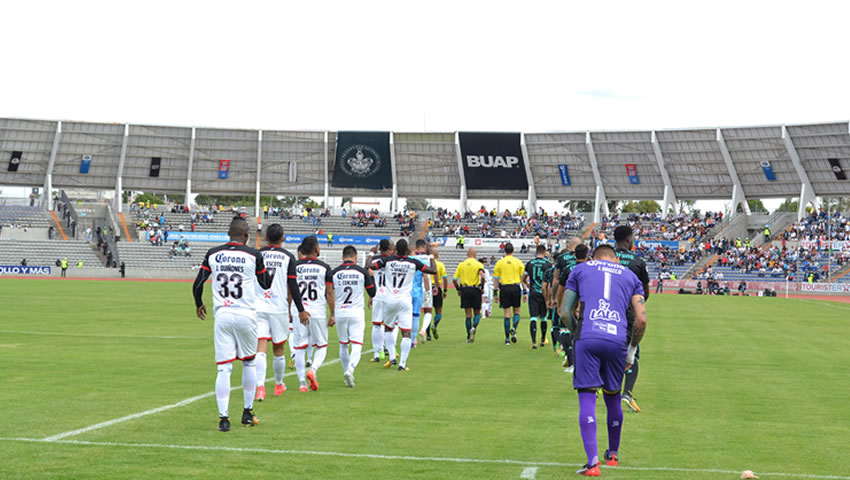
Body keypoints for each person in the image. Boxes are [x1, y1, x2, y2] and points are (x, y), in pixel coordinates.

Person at [560, 244, 647, 475]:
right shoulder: (630, 276)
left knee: (587, 397)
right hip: (617, 339)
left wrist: (577, 332)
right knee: (613, 397)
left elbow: (565, 313)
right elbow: (641, 321)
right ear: (616, 259)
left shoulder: (580, 270)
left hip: (588, 335)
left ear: (593, 257)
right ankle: (614, 455)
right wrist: (630, 351)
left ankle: (593, 463)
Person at [192, 216, 273, 432]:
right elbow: (265, 284)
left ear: (229, 234)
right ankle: (247, 412)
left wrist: (199, 303)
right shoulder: (253, 254)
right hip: (246, 314)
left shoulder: (213, 253)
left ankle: (223, 419)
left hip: (223, 315)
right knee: (248, 363)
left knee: (224, 368)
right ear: (246, 236)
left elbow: (198, 282)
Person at [254, 224, 307, 401]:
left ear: (267, 238)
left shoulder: (257, 254)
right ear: (283, 238)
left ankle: (260, 387)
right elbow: (293, 285)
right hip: (278, 307)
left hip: (259, 305)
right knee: (278, 348)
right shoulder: (288, 257)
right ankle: (278, 385)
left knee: (260, 347)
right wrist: (300, 310)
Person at [370, 239, 436, 371]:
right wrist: (431, 255)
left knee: (388, 329)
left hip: (390, 300)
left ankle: (392, 357)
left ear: (395, 250)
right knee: (406, 333)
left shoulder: (388, 261)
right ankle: (402, 364)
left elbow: (371, 267)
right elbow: (433, 270)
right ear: (407, 250)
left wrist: (371, 254)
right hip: (405, 301)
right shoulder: (413, 262)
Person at [613, 226, 650, 414]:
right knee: (632, 352)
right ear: (629, 240)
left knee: (610, 350)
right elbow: (645, 292)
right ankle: (627, 393)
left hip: (608, 311)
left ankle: (606, 389)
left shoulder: (606, 259)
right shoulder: (637, 262)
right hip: (629, 313)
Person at [292, 236, 335, 392]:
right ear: (316, 249)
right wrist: (332, 314)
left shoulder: (294, 266)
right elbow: (329, 293)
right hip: (317, 311)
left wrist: (290, 310)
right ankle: (313, 370)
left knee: (299, 347)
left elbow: (290, 290)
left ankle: (302, 383)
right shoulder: (325, 267)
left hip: (299, 310)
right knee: (322, 346)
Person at [331, 245, 376, 387]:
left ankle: (346, 372)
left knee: (343, 345)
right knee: (356, 345)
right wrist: (372, 278)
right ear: (355, 257)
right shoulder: (362, 272)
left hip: (340, 311)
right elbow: (372, 293)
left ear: (342, 257)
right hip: (356, 312)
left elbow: (328, 292)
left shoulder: (335, 272)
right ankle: (350, 370)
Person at [367, 239, 395, 363]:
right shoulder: (393, 260)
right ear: (389, 248)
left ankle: (377, 353)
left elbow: (367, 270)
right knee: (390, 325)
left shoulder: (375, 260)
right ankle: (391, 351)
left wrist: (371, 253)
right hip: (390, 295)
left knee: (376, 325)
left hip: (378, 293)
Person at [493, 243, 527, 346]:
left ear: (504, 251)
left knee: (507, 314)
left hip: (504, 288)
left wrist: (495, 292)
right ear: (513, 251)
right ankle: (514, 328)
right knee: (517, 312)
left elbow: (496, 279)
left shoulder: (499, 263)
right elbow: (523, 279)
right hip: (515, 287)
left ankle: (507, 339)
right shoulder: (518, 262)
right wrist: (525, 291)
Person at [453, 248, 486, 342]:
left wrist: (458, 289)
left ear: (467, 254)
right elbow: (482, 276)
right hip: (475, 289)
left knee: (468, 314)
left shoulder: (461, 265)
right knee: (477, 312)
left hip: (465, 289)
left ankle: (468, 336)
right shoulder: (478, 264)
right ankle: (474, 327)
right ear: (475, 255)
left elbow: (454, 279)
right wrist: (482, 286)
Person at [523, 245, 553, 349]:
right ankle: (543, 339)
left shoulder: (530, 263)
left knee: (533, 317)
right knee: (543, 317)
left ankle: (534, 342)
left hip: (533, 293)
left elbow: (523, 278)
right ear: (544, 252)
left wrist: (528, 285)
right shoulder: (548, 264)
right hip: (544, 293)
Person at [410, 239, 432, 346]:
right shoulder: (428, 258)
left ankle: (412, 339)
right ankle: (423, 330)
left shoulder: (411, 258)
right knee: (427, 311)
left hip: (411, 289)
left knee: (410, 314)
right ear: (424, 246)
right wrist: (428, 291)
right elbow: (428, 276)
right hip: (424, 287)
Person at [424, 245, 448, 341]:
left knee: (427, 312)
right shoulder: (440, 265)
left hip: (427, 288)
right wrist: (445, 290)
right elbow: (445, 278)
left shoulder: (425, 263)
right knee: (438, 311)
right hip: (437, 288)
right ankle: (435, 325)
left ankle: (428, 334)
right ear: (437, 255)